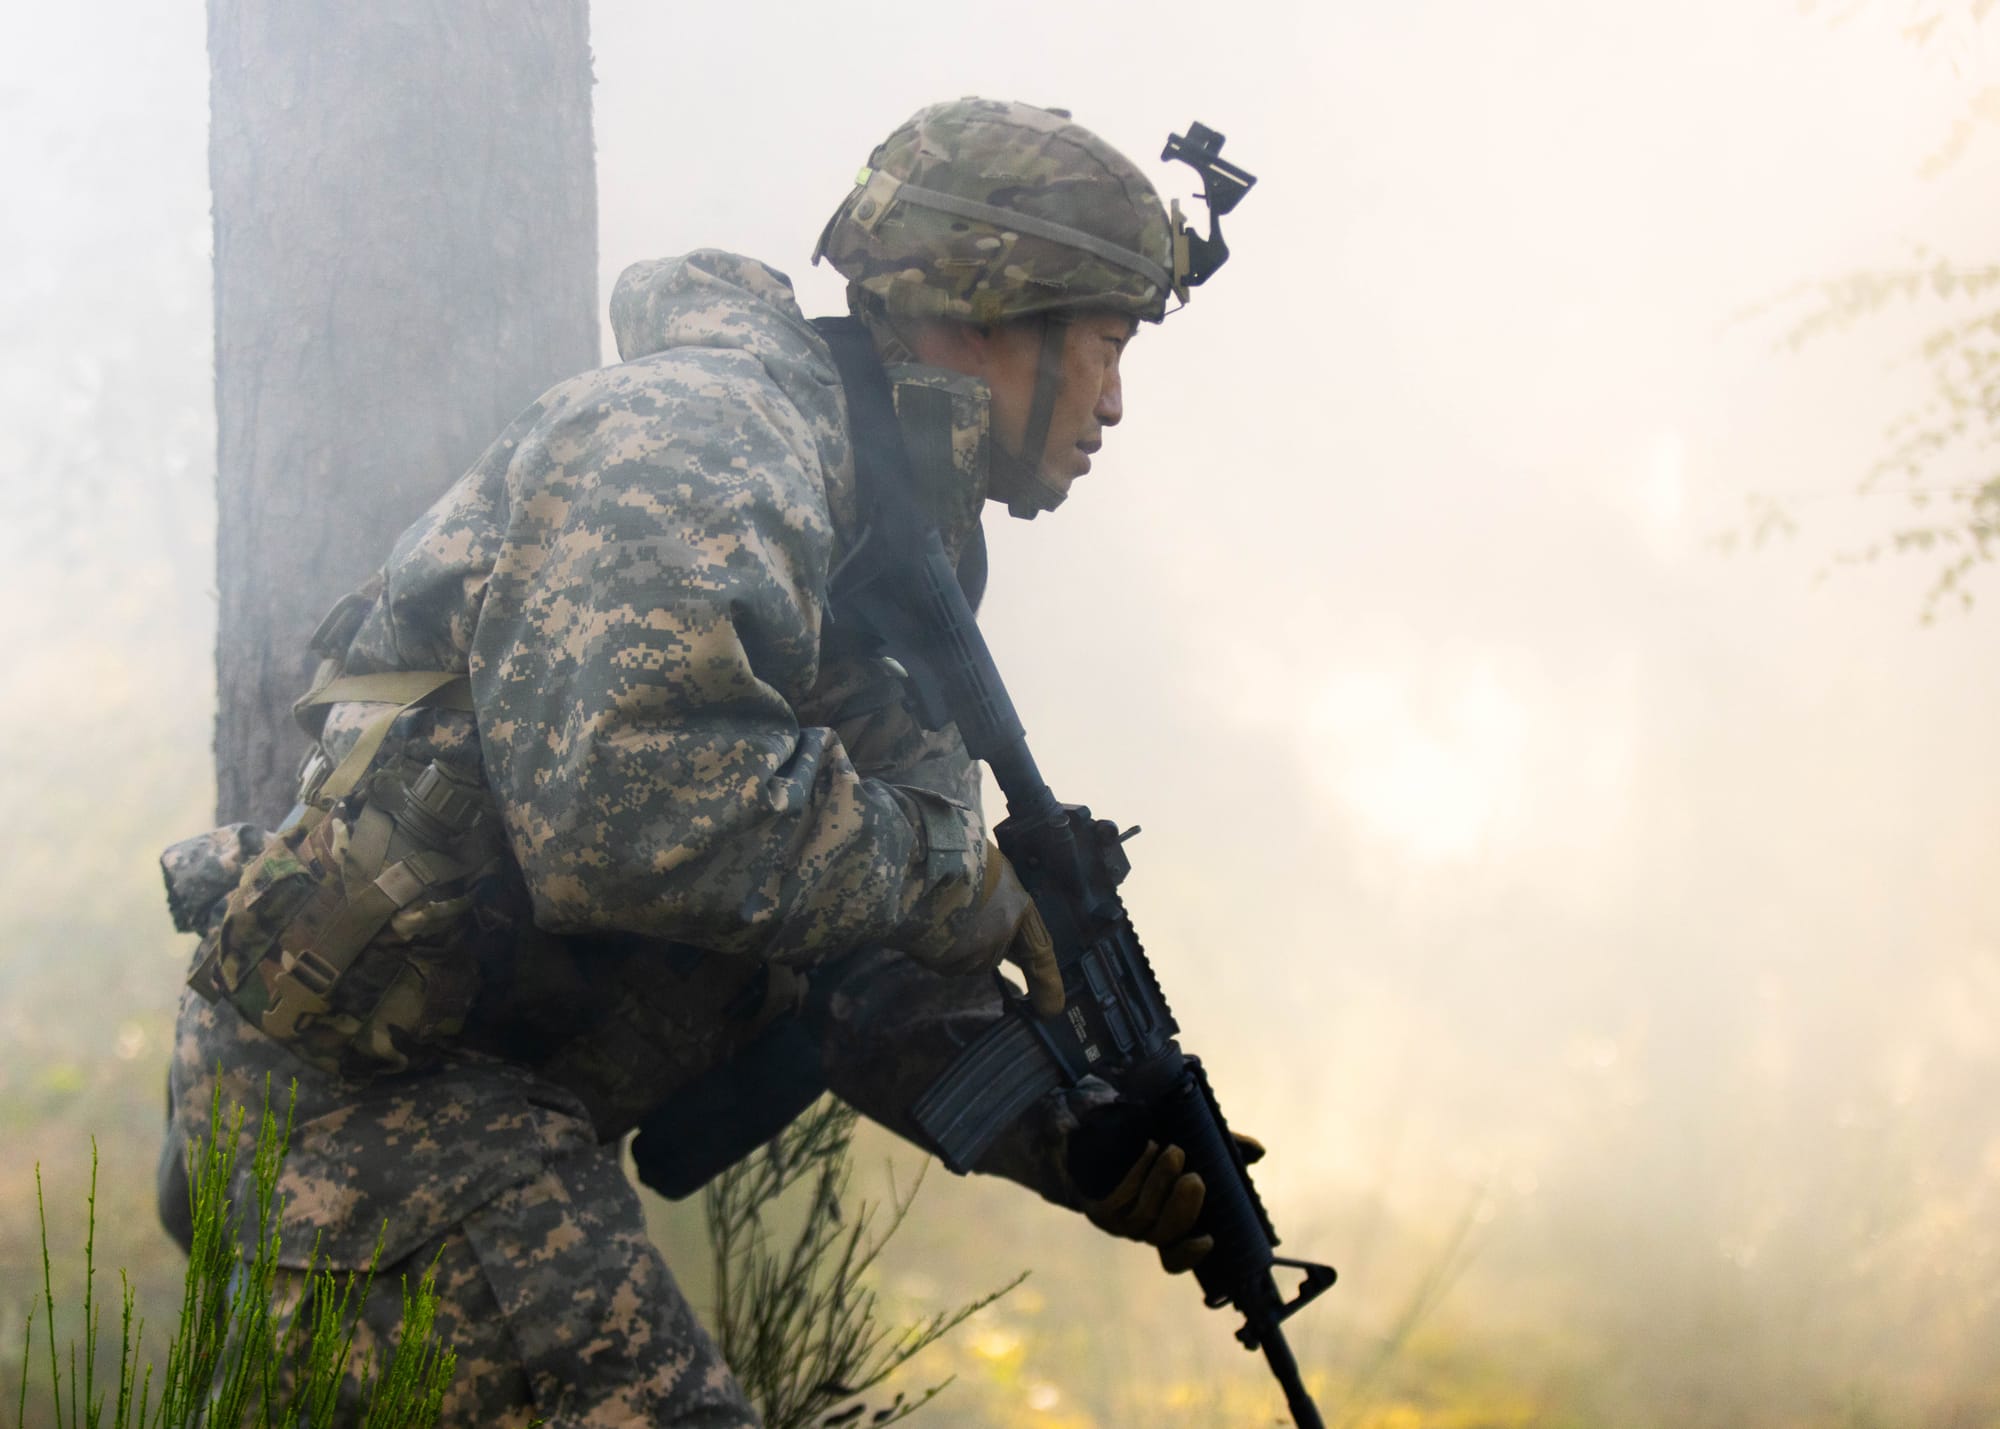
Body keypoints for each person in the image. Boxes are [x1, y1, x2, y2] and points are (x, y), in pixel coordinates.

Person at [158, 97, 1233, 1427]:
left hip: (465, 1109)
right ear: (985, 310)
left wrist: (1077, 1138)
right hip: (373, 1107)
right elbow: (625, 810)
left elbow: (867, 956)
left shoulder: (883, 539)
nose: (1114, 403)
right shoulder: (705, 441)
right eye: (1107, 345)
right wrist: (961, 879)